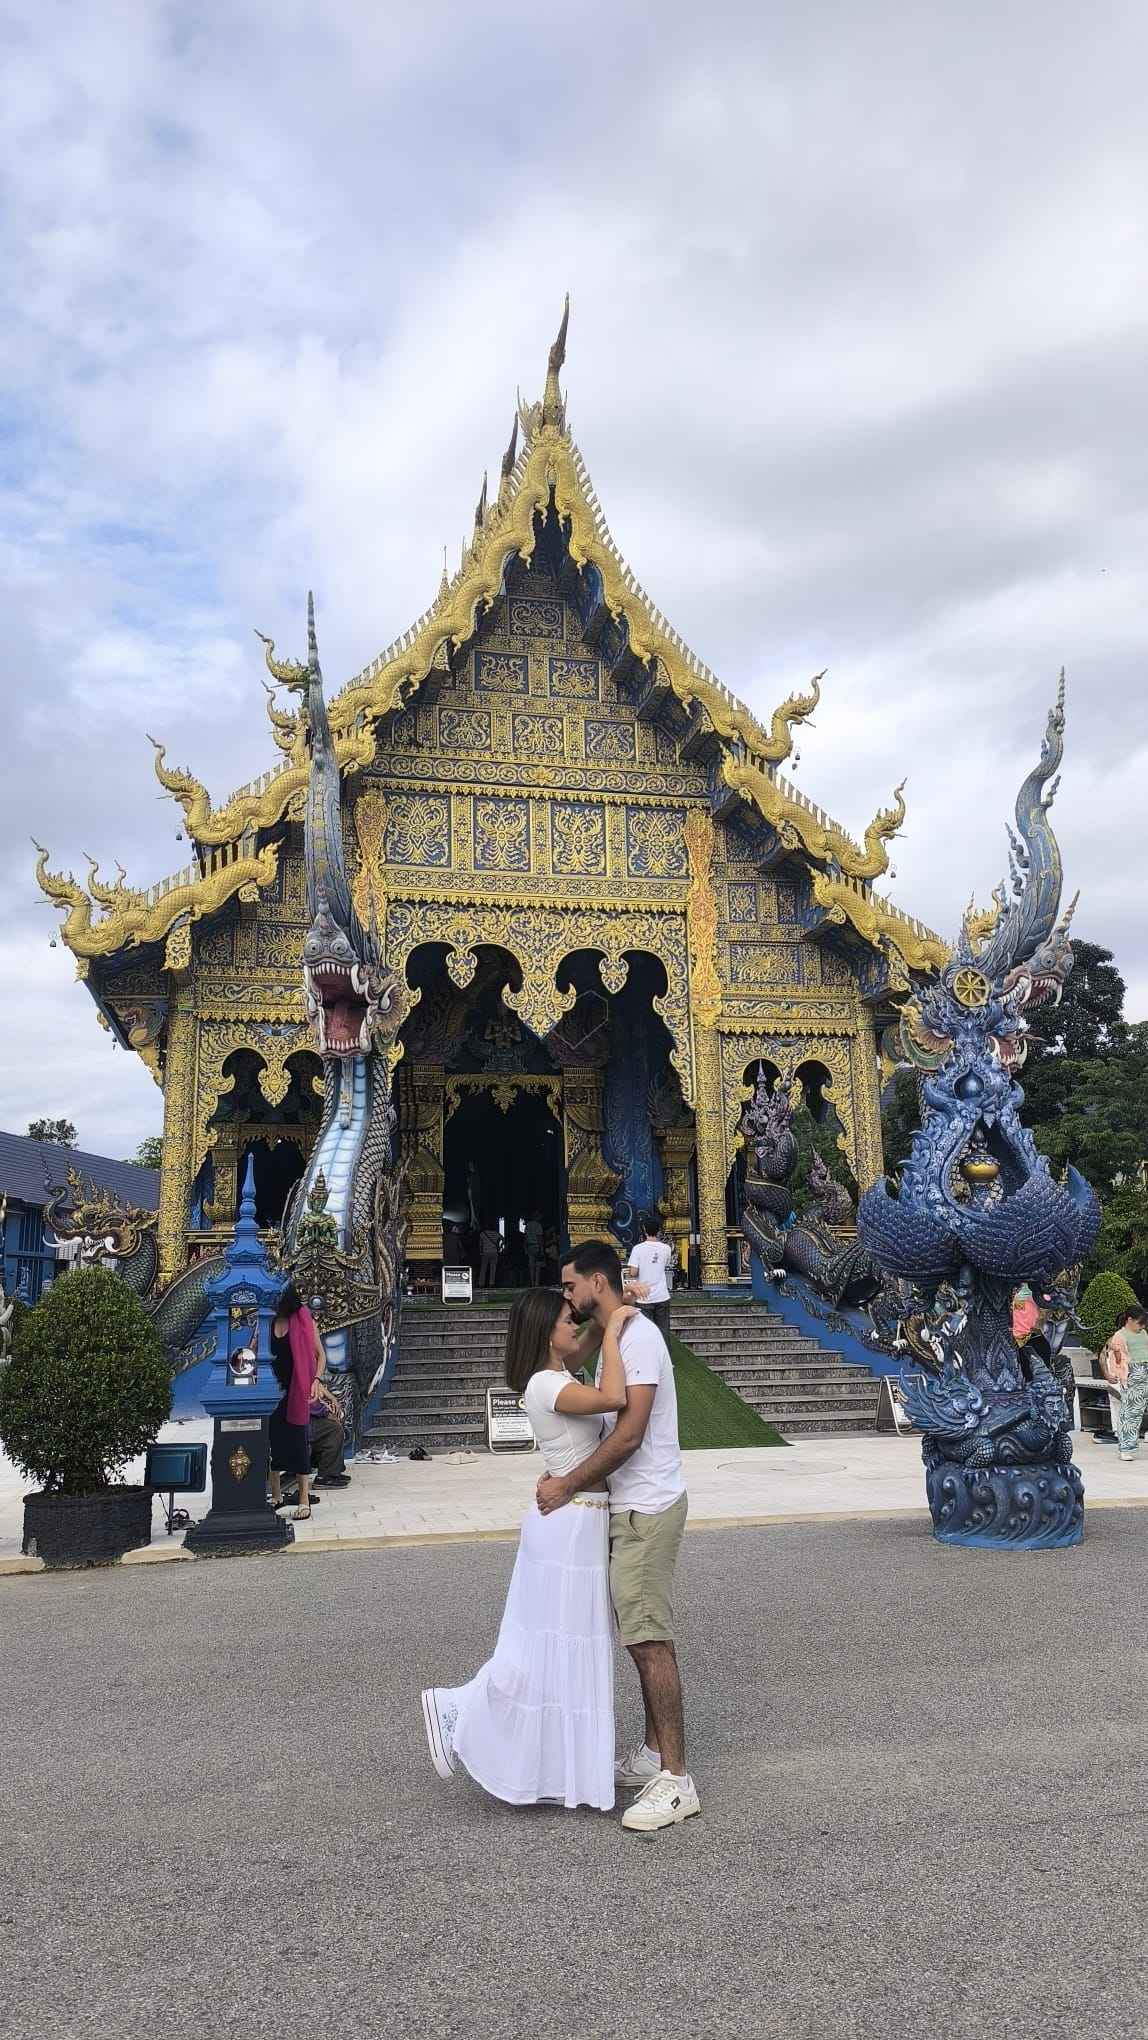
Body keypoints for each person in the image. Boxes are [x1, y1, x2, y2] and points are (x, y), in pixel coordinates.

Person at [421, 1287, 629, 1809]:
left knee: (563, 1647)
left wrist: (610, 1311)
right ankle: (457, 1707)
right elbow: (614, 1398)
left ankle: (560, 1770)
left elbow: (584, 1344)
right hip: (569, 1524)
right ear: (545, 1332)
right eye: (566, 1320)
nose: (575, 1325)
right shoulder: (545, 1384)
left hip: (576, 1520)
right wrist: (616, 1331)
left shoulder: (559, 1375)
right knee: (549, 1645)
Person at [538, 1239, 699, 1834]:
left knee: (649, 1640)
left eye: (571, 1285)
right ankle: (655, 1754)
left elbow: (629, 1435)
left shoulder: (641, 1340)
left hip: (649, 1507)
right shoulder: (618, 1333)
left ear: (596, 1283)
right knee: (639, 1636)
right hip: (629, 1507)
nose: (567, 1296)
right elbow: (575, 1364)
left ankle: (677, 1781)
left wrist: (567, 1485)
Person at [268, 1282, 324, 1521]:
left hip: (296, 1389)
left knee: (299, 1442)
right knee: (272, 1443)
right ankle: (276, 1496)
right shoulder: (266, 1322)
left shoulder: (304, 1320)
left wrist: (316, 1380)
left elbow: (320, 1355)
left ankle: (303, 1499)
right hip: (271, 1392)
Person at [1106, 1306, 1148, 1461]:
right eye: (1139, 1323)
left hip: (1145, 1369)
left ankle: (1129, 1446)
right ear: (1129, 1320)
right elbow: (1115, 1360)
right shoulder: (1119, 1336)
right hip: (1132, 1373)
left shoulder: (1143, 1333)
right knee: (1130, 1412)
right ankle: (1126, 1448)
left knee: (1138, 1412)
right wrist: (1120, 1376)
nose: (1142, 1326)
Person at [626, 1215, 675, 1342]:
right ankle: (665, 1354)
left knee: (645, 1332)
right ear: (658, 1230)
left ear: (644, 1230)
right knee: (663, 1332)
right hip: (662, 1295)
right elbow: (665, 1264)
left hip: (643, 1296)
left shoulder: (638, 1249)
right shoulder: (666, 1249)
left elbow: (633, 1272)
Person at [309, 1375, 350, 1489]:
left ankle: (333, 1472)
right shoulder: (302, 1369)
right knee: (333, 1429)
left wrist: (332, 1399)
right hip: (303, 1419)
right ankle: (325, 1476)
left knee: (335, 1424)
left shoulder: (311, 1371)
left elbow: (316, 1384)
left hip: (306, 1416)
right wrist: (326, 1412)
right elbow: (309, 1400)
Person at [478, 1221, 501, 1289]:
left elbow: (480, 1244)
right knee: (493, 1268)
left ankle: (481, 1283)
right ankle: (491, 1283)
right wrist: (500, 1246)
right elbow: (503, 1239)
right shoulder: (496, 1233)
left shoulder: (483, 1233)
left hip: (485, 1252)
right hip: (494, 1252)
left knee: (483, 1268)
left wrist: (480, 1251)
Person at [523, 1212, 544, 1287]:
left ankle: (532, 1283)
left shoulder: (527, 1225)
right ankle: (536, 1283)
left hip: (529, 1246)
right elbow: (539, 1238)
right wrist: (541, 1249)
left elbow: (525, 1237)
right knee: (538, 1266)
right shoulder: (538, 1225)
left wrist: (525, 1248)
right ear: (537, 1217)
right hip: (537, 1246)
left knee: (531, 1266)